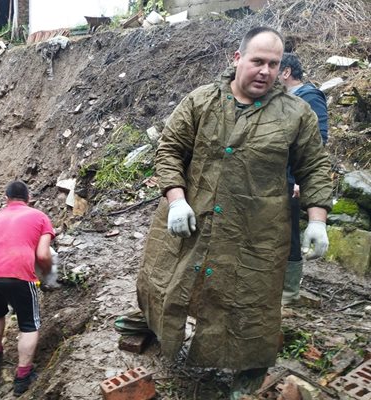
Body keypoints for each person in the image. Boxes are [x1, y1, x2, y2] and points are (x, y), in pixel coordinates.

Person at [136, 27, 332, 399]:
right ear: (237, 58)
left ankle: (249, 368)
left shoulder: (296, 113)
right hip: (193, 217)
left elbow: (315, 167)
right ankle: (154, 325)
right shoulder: (201, 101)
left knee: (252, 298)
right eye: (258, 61)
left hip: (257, 229)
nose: (265, 71)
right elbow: (170, 150)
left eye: (273, 64)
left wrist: (318, 220)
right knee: (167, 277)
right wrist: (176, 199)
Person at [0, 181, 55, 396]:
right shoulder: (40, 217)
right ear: (28, 198)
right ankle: (22, 377)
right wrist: (47, 275)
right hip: (17, 273)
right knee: (29, 325)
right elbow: (43, 255)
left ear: (6, 198)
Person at [278, 52, 329, 305]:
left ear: (286, 72)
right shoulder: (280, 99)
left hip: (292, 177)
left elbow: (318, 140)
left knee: (290, 234)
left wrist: (300, 180)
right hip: (275, 177)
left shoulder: (309, 96)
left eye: (274, 67)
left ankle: (288, 292)